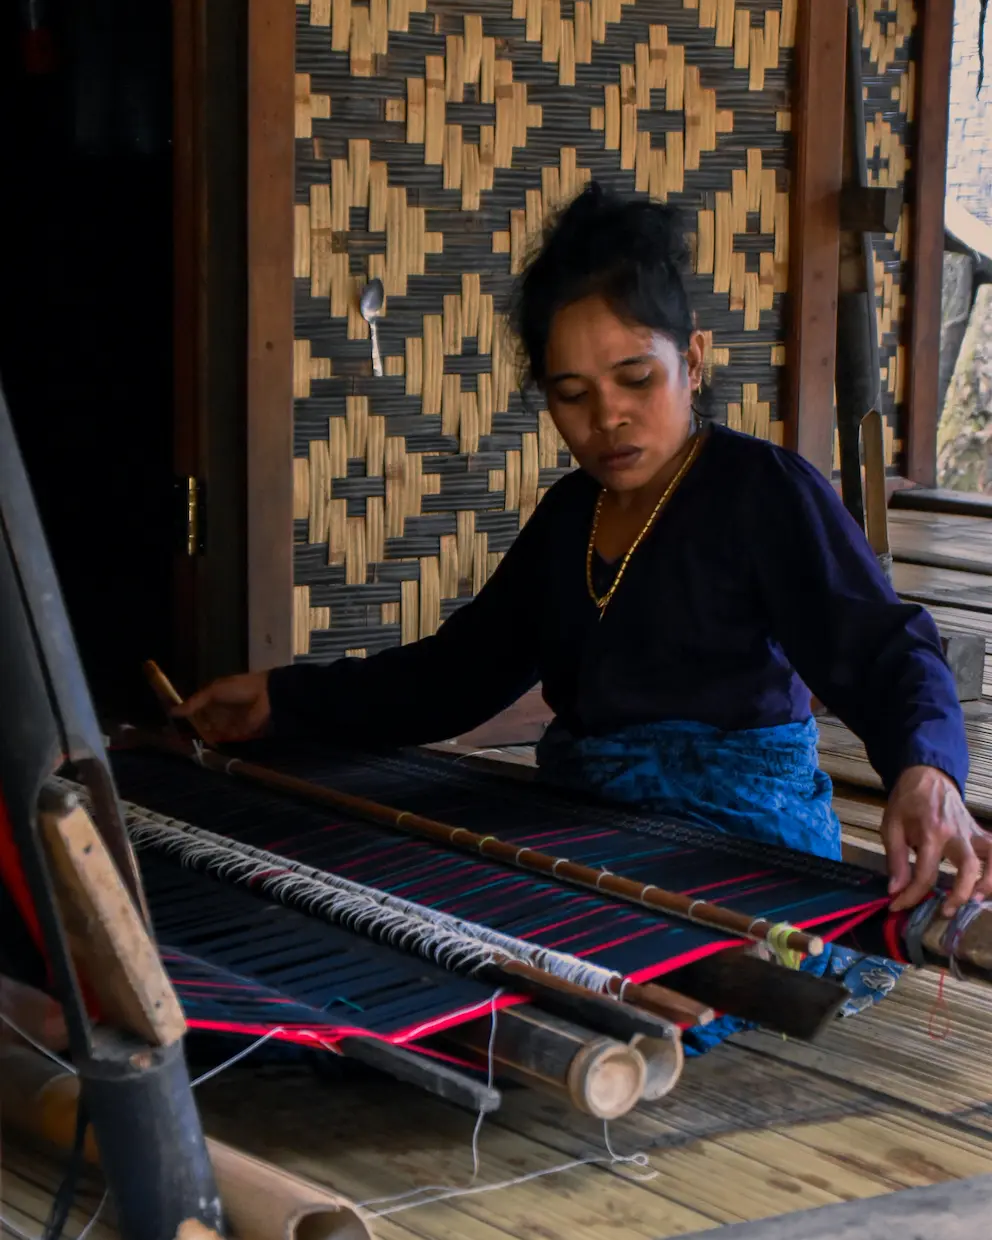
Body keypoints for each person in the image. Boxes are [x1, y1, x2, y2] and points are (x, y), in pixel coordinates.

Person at [177, 184, 991, 1047]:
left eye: (636, 377)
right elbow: (456, 675)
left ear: (696, 359)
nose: (608, 417)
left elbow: (882, 645)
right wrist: (283, 700)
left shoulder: (763, 492)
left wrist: (925, 769)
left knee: (600, 991)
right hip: (588, 827)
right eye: (571, 394)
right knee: (394, 919)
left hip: (733, 842)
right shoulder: (572, 515)